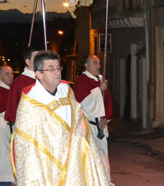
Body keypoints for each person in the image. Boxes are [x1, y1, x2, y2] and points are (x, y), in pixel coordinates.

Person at [12, 50, 109, 185]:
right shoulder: (30, 100)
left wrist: (77, 141)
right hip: (46, 162)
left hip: (72, 158)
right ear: (38, 73)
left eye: (58, 68)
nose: (57, 72)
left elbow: (79, 118)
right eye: (51, 69)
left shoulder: (66, 90)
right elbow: (26, 141)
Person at [74, 54, 113, 180]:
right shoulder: (81, 81)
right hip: (89, 127)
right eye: (95, 63)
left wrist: (106, 118)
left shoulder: (100, 80)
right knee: (91, 161)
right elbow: (82, 102)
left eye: (99, 63)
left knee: (104, 161)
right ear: (86, 65)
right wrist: (98, 90)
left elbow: (106, 101)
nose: (99, 66)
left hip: (101, 126)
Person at [4, 46, 39, 125]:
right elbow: (12, 110)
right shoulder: (19, 82)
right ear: (28, 61)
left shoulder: (45, 79)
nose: (40, 60)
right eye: (36, 57)